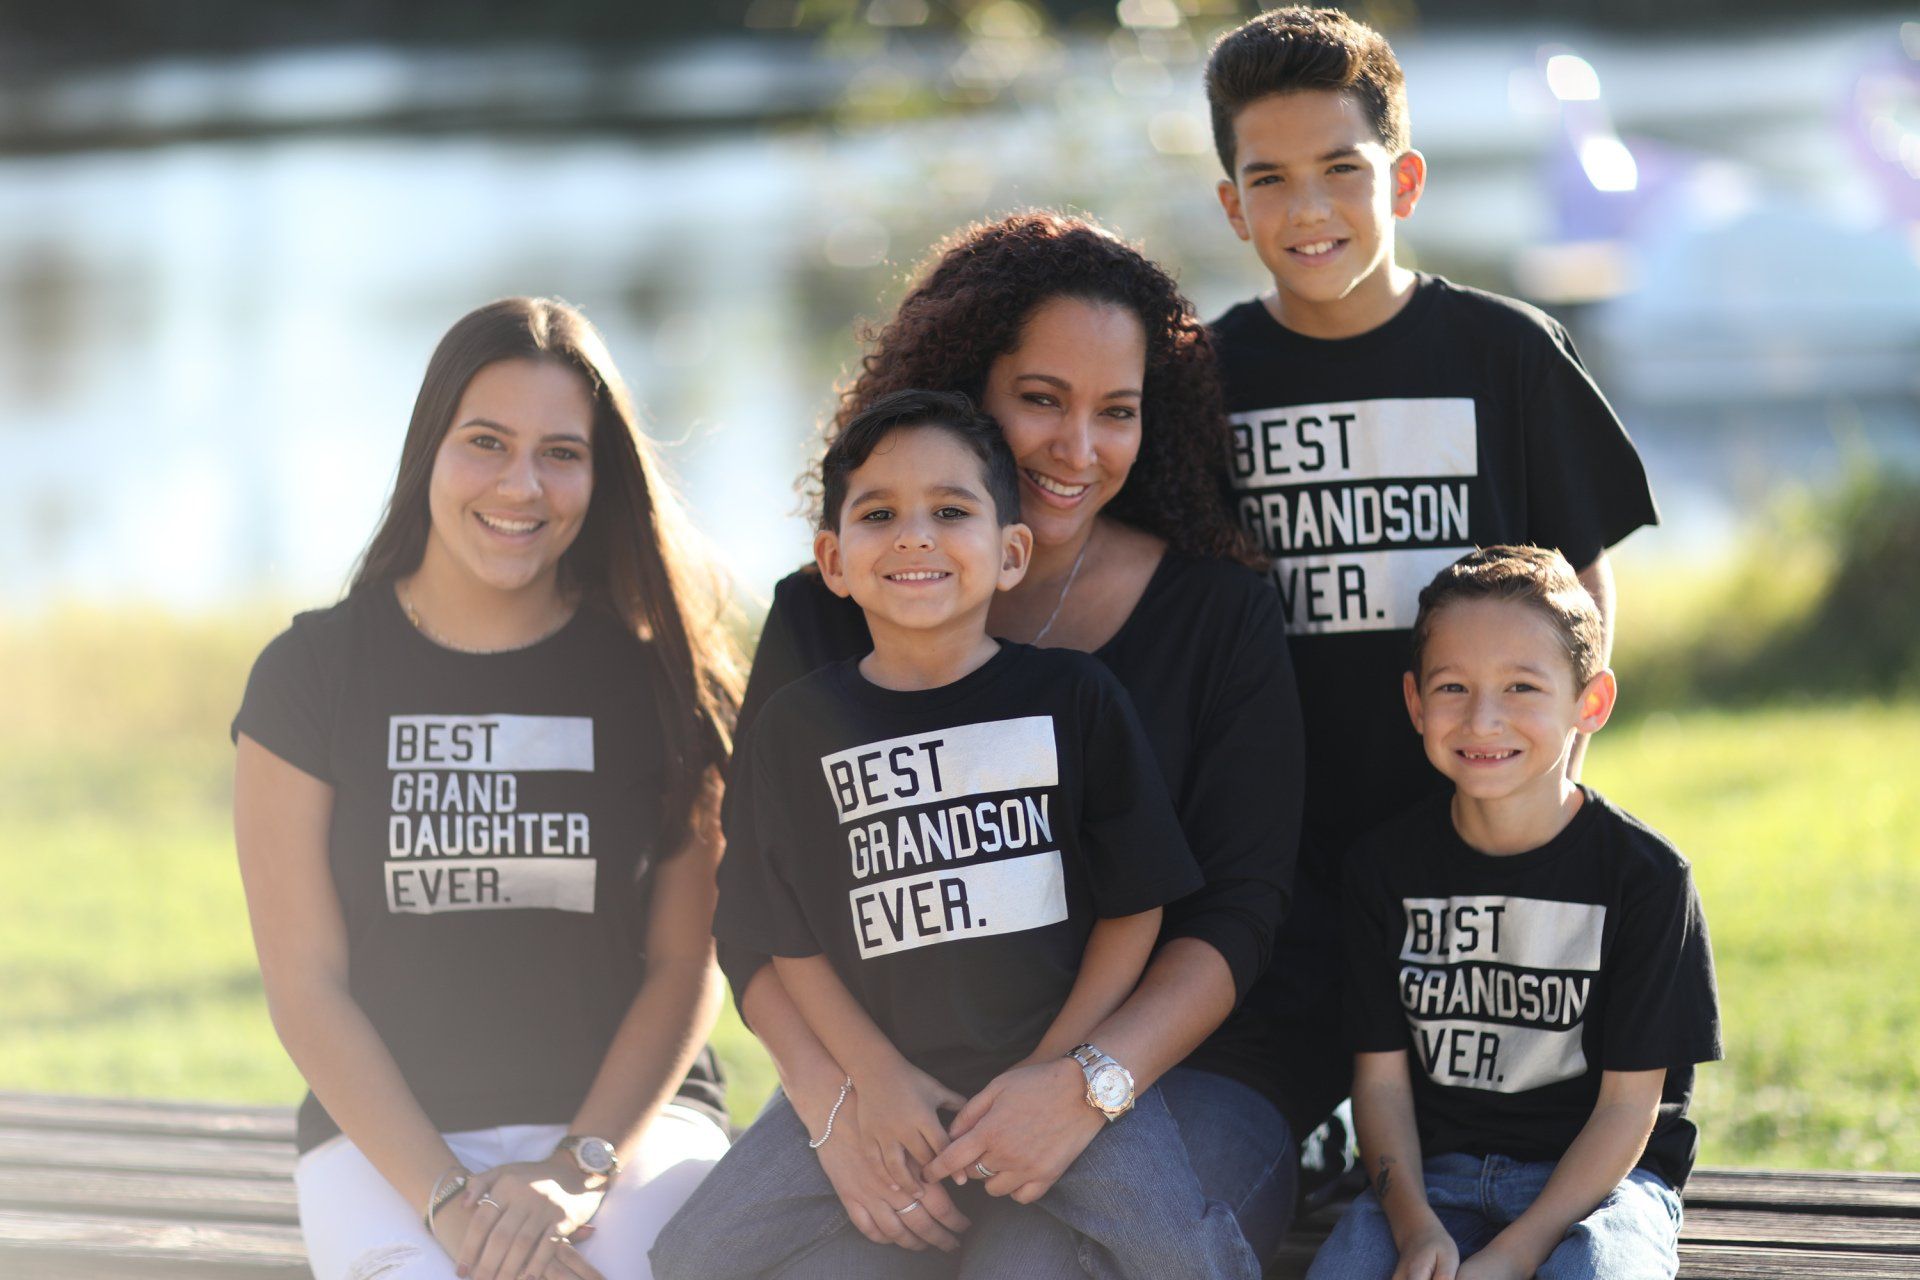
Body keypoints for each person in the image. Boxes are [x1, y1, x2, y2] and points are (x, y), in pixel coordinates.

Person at [664, 212, 1309, 1269]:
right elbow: (758, 907)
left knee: (1026, 1264)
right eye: (1041, 399)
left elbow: (1235, 909)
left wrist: (1079, 1083)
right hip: (895, 1079)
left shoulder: (1215, 614)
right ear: (968, 390)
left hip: (1179, 1064)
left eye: (1117, 411)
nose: (1078, 449)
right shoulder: (829, 614)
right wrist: (840, 1099)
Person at [1201, 6, 1662, 1141]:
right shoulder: (1206, 379)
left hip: (1470, 822)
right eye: (1270, 179)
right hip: (1286, 849)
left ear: (1403, 180)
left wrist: (1548, 777)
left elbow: (1580, 574)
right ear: (1232, 205)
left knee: (1478, 1138)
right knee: (1284, 1113)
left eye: (1341, 169)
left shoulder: (1505, 352)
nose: (1308, 208)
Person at [231, 297, 740, 1280]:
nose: (522, 484)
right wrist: (448, 1201)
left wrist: (580, 1167)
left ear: (599, 474)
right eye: (487, 442)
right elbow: (305, 985)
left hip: (625, 1133)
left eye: (561, 452)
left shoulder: (663, 679)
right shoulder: (311, 676)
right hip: (387, 1141)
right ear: (429, 447)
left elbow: (686, 965)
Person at [1310, 546, 1721, 1280]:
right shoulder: (1381, 870)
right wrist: (1415, 1228)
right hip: (1432, 1180)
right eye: (1452, 687)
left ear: (1591, 703)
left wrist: (1517, 1251)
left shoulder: (1648, 880)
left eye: (1522, 687)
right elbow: (1379, 1085)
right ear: (1415, 702)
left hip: (1602, 1184)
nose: (1483, 719)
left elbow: (1628, 1109)